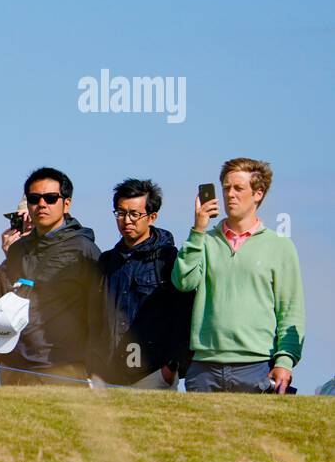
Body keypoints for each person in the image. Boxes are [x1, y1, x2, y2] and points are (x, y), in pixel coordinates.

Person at [173, 158, 305, 393]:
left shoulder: (280, 246)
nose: (230, 195)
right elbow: (183, 282)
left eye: (238, 188)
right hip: (204, 367)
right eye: (225, 188)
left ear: (258, 193)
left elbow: (290, 311)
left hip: (257, 366)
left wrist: (285, 361)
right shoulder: (204, 240)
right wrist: (198, 230)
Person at [0, 167, 101, 386]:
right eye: (34, 198)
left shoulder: (84, 249)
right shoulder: (17, 250)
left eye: (51, 198)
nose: (42, 204)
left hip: (63, 366)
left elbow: (99, 310)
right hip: (15, 364)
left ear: (66, 204)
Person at [90, 178, 192, 389]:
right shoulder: (107, 261)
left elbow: (183, 314)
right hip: (108, 374)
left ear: (152, 216)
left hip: (153, 373)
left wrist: (171, 366)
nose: (127, 220)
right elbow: (94, 316)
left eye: (135, 214)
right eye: (120, 212)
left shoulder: (169, 259)